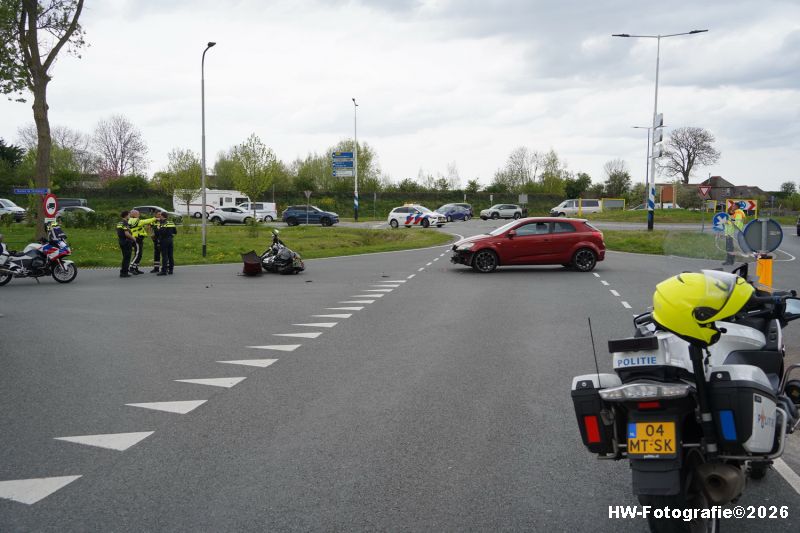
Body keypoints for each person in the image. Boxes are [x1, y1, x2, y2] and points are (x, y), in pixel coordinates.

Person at [127, 209, 157, 275]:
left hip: (137, 238)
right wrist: (155, 218)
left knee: (139, 254)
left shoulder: (131, 220)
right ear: (134, 214)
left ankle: (135, 268)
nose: (139, 215)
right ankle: (131, 268)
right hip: (137, 239)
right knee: (138, 254)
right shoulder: (136, 220)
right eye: (138, 214)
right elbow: (146, 221)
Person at [155, 211, 177, 276]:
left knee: (164, 256)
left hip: (164, 240)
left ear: (162, 216)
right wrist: (170, 235)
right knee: (170, 255)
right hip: (170, 240)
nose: (159, 217)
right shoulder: (171, 222)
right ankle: (171, 270)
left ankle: (164, 271)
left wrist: (158, 228)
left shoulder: (162, 223)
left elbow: (162, 232)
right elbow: (175, 232)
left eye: (160, 215)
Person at [116, 211, 136, 278]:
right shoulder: (125, 222)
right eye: (129, 215)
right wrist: (133, 238)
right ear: (126, 215)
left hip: (121, 240)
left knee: (125, 257)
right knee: (127, 257)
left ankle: (123, 271)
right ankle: (124, 272)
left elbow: (118, 232)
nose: (129, 216)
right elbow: (126, 233)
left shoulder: (119, 222)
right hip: (126, 241)